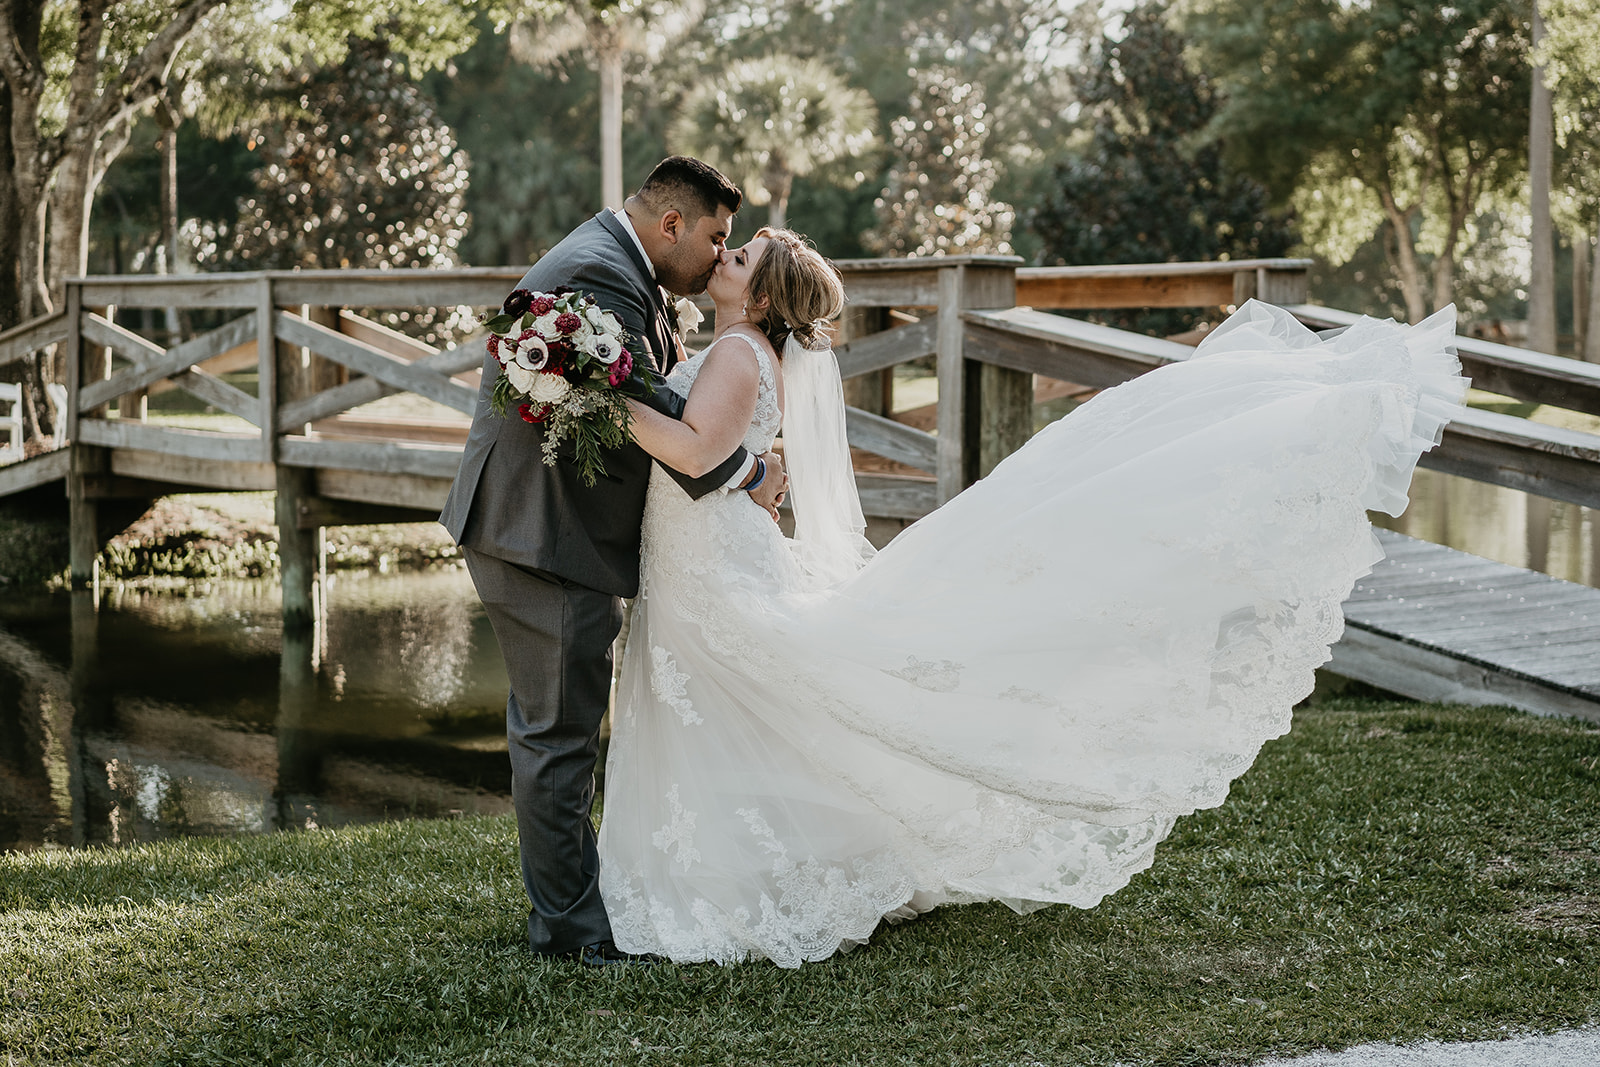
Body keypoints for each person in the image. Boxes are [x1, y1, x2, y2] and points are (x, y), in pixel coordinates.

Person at [598, 228, 1469, 968]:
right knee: (735, 704)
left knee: (738, 695)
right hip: (709, 553)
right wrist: (749, 464)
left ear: (764, 295)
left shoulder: (739, 352)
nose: (727, 256)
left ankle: (731, 876)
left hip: (711, 566)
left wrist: (598, 390)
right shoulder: (741, 350)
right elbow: (729, 457)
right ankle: (757, 859)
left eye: (743, 255)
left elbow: (689, 447)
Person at [439, 157, 788, 966]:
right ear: (672, 225)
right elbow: (669, 415)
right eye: (715, 237)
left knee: (561, 728)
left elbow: (648, 394)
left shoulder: (618, 262)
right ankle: (570, 936)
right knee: (558, 733)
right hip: (541, 531)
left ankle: (578, 907)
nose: (716, 256)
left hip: (556, 526)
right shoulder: (599, 275)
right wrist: (752, 471)